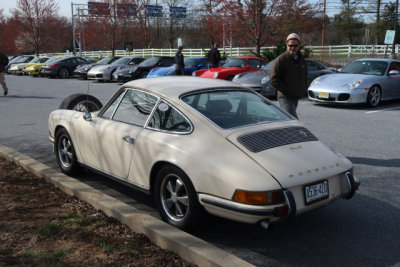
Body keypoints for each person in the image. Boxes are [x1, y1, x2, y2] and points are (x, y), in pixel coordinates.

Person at [269, 33, 307, 119]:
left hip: (295, 96)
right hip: (285, 97)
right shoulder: (281, 60)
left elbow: (305, 76)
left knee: (286, 120)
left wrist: (304, 87)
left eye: (295, 45)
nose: (293, 47)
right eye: (290, 45)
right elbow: (273, 78)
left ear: (299, 45)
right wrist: (286, 89)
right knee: (293, 120)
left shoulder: (301, 60)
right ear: (286, 44)